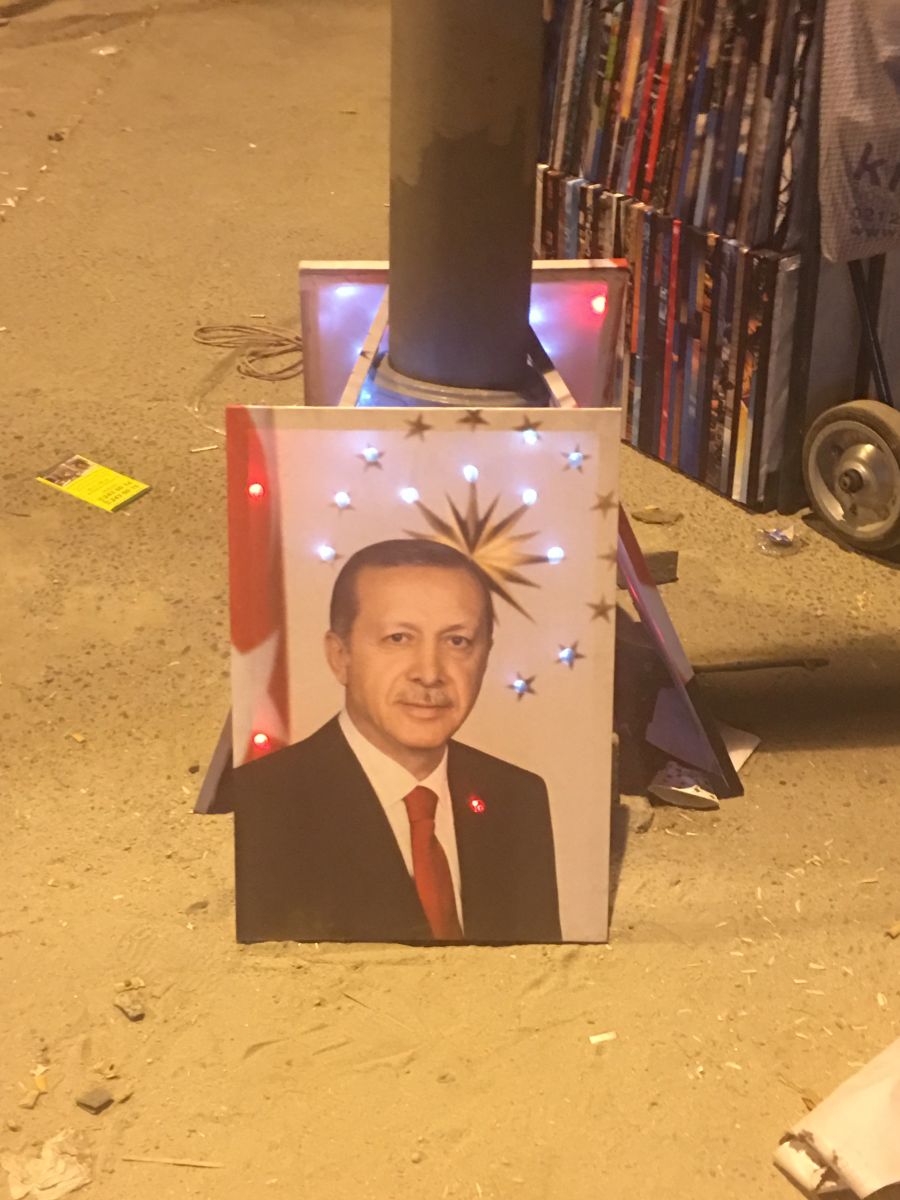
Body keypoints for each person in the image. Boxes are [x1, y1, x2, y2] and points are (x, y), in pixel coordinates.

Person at [226, 538, 561, 944]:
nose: (430, 673)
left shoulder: (518, 798)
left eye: (457, 641)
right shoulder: (264, 802)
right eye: (399, 638)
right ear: (340, 656)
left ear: (485, 656)